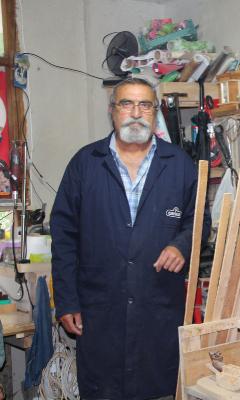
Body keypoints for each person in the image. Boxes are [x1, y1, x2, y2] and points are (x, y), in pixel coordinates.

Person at [51, 77, 210, 400]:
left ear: (155, 112)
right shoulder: (86, 164)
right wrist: (67, 300)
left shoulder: (179, 164)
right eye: (127, 104)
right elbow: (64, 235)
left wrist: (181, 245)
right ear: (112, 110)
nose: (136, 113)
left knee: (158, 389)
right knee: (103, 389)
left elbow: (199, 220)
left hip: (158, 306)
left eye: (145, 105)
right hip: (100, 310)